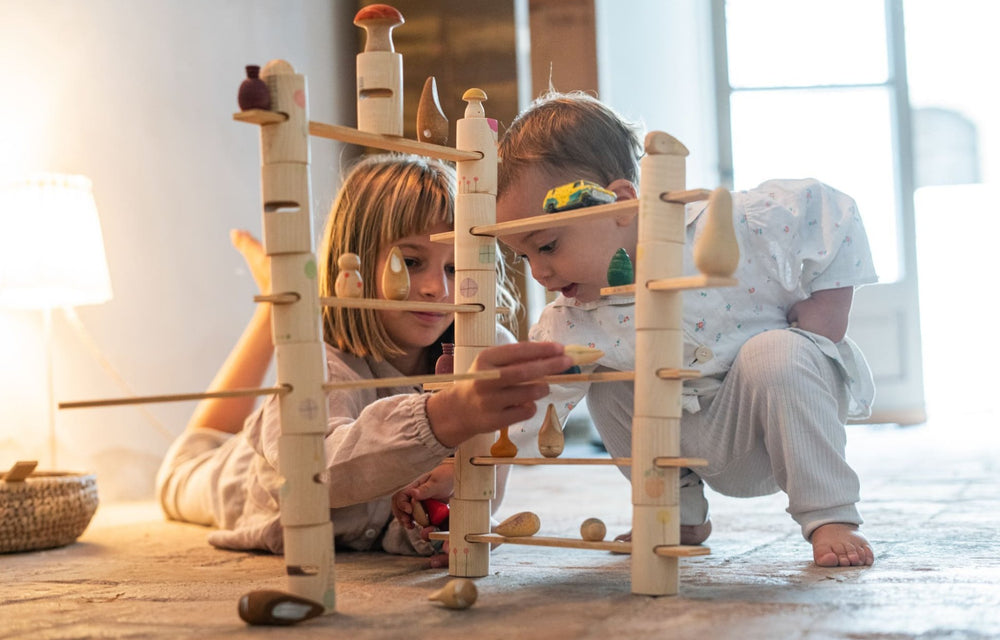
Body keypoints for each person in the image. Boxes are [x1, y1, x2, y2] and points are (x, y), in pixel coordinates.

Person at [494, 91, 877, 567]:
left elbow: (830, 212)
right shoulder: (568, 321)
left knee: (776, 350)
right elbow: (526, 409)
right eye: (522, 256)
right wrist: (465, 465)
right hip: (684, 443)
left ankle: (830, 515)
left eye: (548, 246)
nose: (538, 274)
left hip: (771, 426)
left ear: (620, 203)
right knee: (608, 385)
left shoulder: (724, 224)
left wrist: (829, 306)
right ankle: (675, 513)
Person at [156, 153, 573, 568]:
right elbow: (319, 472)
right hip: (228, 472)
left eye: (454, 267)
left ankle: (285, 299)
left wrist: (442, 514)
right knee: (189, 459)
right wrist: (446, 416)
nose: (435, 288)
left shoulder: (475, 353)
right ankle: (277, 303)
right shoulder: (323, 364)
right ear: (351, 264)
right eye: (409, 262)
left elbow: (478, 486)